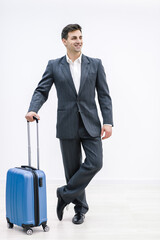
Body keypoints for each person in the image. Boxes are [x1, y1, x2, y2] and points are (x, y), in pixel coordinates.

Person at [25, 24, 113, 225]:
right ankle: (80, 209)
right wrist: (33, 109)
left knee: (95, 162)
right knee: (72, 170)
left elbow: (104, 95)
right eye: (74, 37)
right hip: (67, 124)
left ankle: (63, 194)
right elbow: (42, 90)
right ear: (64, 41)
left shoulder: (95, 64)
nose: (79, 41)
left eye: (80, 37)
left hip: (91, 123)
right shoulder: (54, 65)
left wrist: (108, 121)